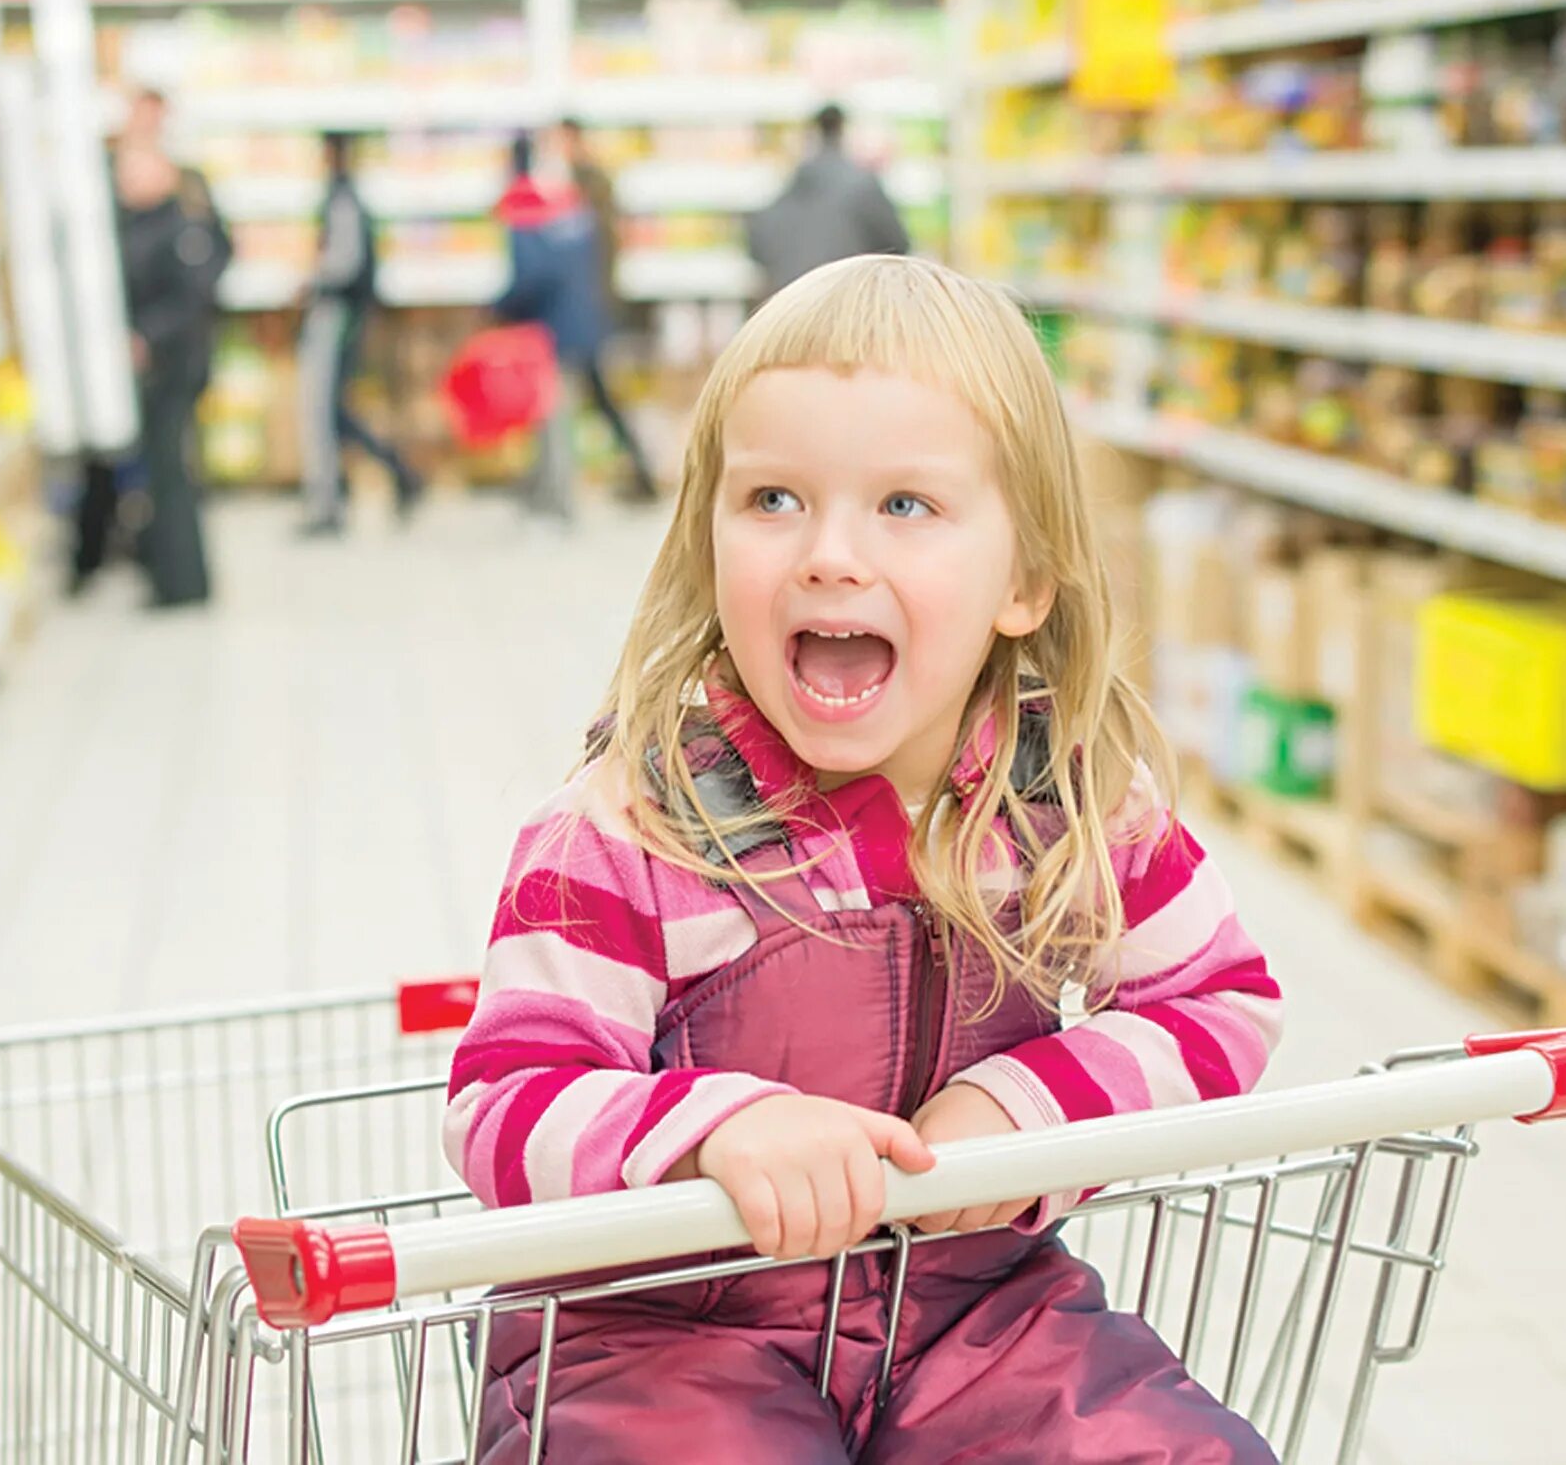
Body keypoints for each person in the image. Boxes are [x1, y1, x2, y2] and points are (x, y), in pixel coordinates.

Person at [446, 257, 1285, 1461]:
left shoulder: (1067, 800)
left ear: (1026, 580)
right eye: (774, 500)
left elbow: (1220, 999)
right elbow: (504, 1102)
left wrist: (1023, 1107)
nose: (830, 555)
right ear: (706, 542)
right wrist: (712, 1130)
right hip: (662, 1340)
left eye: (904, 506)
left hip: (977, 1317)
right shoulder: (630, 829)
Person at [74, 87, 230, 608]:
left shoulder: (187, 197)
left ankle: (180, 578)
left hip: (172, 361)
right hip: (144, 362)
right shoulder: (110, 183)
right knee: (155, 471)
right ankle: (150, 563)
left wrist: (149, 336)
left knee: (172, 470)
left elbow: (202, 278)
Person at [298, 130, 422, 537]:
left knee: (324, 411)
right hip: (346, 315)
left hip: (337, 316)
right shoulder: (346, 197)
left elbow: (343, 264)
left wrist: (312, 281)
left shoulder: (341, 199)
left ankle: (332, 502)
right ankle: (397, 474)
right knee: (335, 414)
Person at [493, 132, 606, 521]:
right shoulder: (562, 200)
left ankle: (557, 503)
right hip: (577, 319)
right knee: (555, 417)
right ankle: (546, 496)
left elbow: (531, 274)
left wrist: (500, 307)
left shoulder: (521, 203)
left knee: (553, 422)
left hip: (551, 331)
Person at [556, 118, 659, 502]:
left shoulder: (588, 183)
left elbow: (598, 250)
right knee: (598, 396)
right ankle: (639, 472)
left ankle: (640, 473)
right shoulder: (583, 181)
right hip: (587, 303)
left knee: (598, 395)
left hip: (586, 305)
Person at [746, 103, 912, 298]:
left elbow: (757, 245)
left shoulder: (791, 186)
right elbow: (897, 245)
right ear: (844, 132)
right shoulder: (863, 186)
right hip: (847, 300)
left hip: (791, 302)